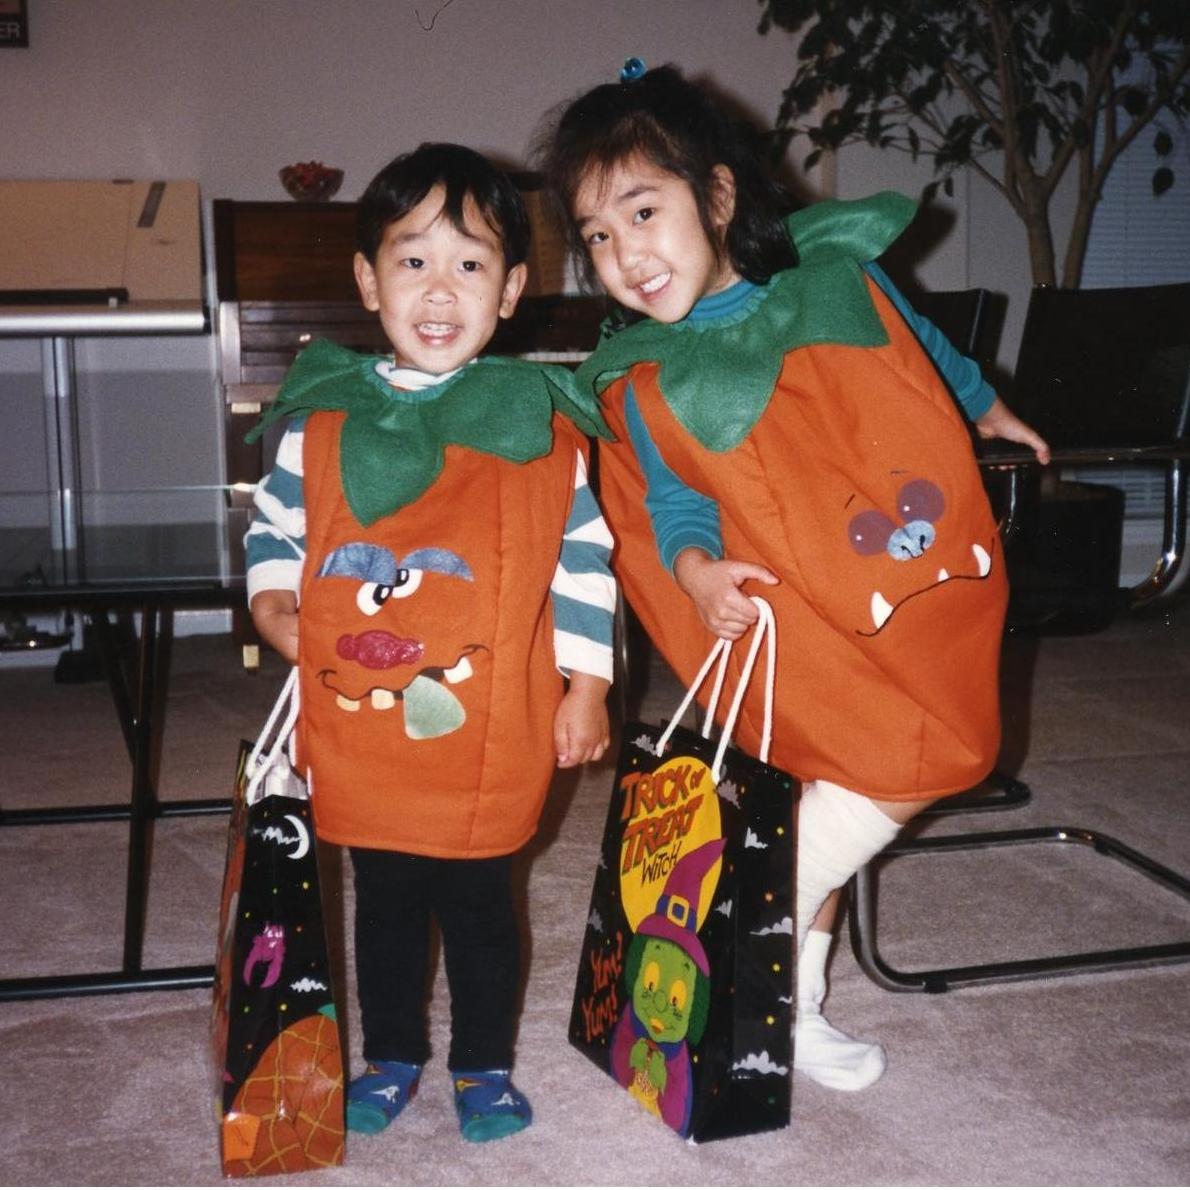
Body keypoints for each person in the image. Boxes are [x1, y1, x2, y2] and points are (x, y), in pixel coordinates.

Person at [539, 62, 1050, 1094]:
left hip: (891, 585)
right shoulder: (644, 377)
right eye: (596, 234)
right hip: (779, 616)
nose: (623, 253)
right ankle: (792, 1006)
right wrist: (692, 572)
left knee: (937, 746)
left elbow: (921, 353)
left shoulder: (834, 281)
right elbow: (674, 502)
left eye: (643, 211)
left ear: (718, 196)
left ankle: (742, 935)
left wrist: (982, 405)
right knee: (822, 781)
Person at [244, 142, 616, 1142]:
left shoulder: (542, 425)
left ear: (512, 290)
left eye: (470, 263)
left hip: (490, 722)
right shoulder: (320, 419)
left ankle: (483, 1062)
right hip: (363, 721)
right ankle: (393, 1050)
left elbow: (583, 561)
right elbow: (277, 524)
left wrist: (586, 682)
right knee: (383, 897)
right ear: (368, 280)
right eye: (412, 261)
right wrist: (271, 597)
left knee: (482, 900)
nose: (439, 290)